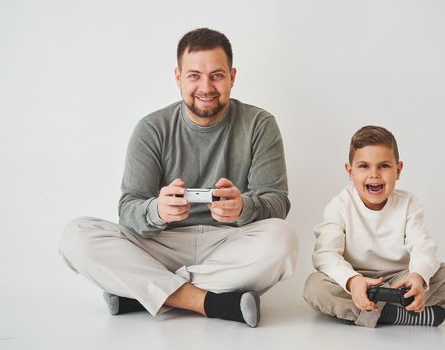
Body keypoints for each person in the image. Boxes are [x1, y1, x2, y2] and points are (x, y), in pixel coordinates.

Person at [59, 28, 298, 328]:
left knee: (283, 240)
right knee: (75, 236)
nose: (206, 86)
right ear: (178, 77)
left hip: (227, 241)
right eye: (194, 75)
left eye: (217, 75)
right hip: (161, 243)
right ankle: (208, 302)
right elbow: (128, 210)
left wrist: (243, 208)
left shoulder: (259, 124)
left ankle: (143, 292)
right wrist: (157, 210)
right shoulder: (151, 128)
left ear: (232, 77)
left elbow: (277, 203)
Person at [303, 125, 445, 328]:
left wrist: (418, 276)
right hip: (357, 278)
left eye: (384, 166)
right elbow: (325, 254)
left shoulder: (408, 204)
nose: (374, 174)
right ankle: (396, 315)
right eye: (364, 166)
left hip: (399, 281)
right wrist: (352, 280)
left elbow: (423, 245)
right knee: (314, 287)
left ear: (398, 170)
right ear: (350, 172)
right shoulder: (340, 205)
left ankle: (376, 311)